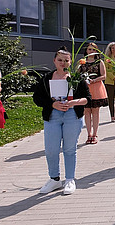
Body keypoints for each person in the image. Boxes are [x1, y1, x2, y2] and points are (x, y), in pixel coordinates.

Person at [33, 47, 90, 195]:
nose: (63, 63)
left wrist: (73, 102)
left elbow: (87, 99)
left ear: (70, 62)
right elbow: (37, 98)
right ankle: (54, 179)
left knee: (69, 149)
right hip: (53, 116)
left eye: (66, 60)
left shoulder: (77, 78)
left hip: (72, 115)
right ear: (54, 61)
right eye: (60, 60)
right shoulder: (47, 79)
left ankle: (70, 179)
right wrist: (52, 104)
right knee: (51, 149)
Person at [78, 43, 108, 144]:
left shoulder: (99, 62)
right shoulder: (82, 62)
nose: (91, 51)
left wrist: (94, 80)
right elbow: (77, 74)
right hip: (85, 88)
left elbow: (104, 76)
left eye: (93, 49)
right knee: (86, 111)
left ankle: (95, 134)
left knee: (95, 112)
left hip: (96, 87)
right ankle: (89, 134)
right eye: (89, 49)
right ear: (86, 51)